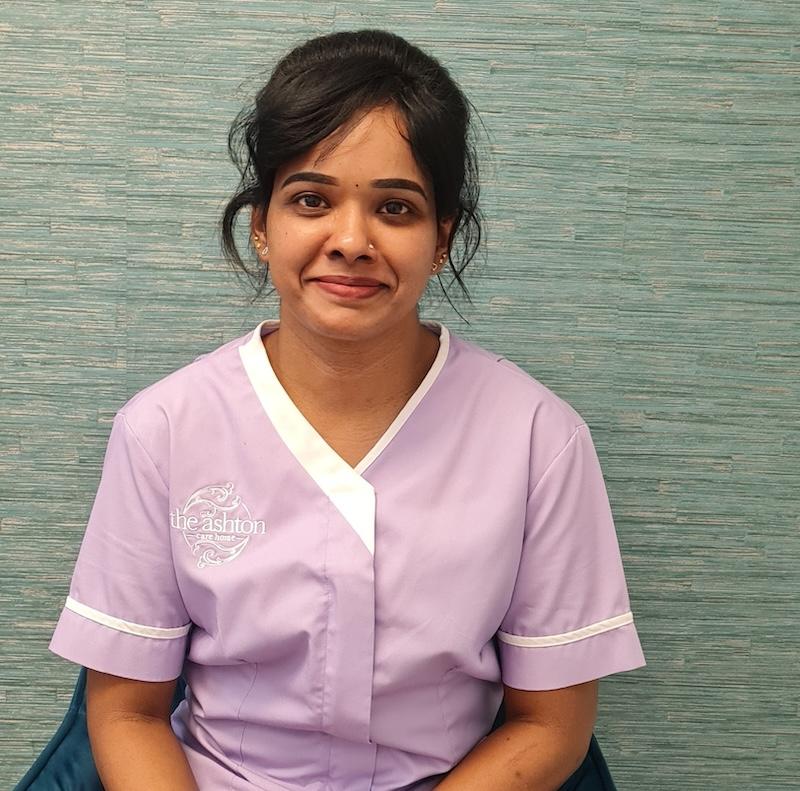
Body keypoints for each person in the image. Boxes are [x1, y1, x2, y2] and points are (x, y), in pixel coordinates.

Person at [48, 28, 646, 791]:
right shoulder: (163, 429)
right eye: (311, 199)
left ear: (442, 238)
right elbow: (127, 712)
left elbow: (551, 723)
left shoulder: (539, 438)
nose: (352, 240)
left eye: (395, 208)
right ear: (262, 223)